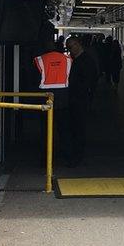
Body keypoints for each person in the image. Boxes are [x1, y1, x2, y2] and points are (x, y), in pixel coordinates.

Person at [33, 37, 73, 165]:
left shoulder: (39, 60)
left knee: (46, 130)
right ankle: (67, 158)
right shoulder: (68, 60)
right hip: (63, 98)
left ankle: (46, 160)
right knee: (64, 129)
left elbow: (34, 79)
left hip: (46, 98)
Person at [64, 35, 96, 165]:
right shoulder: (74, 60)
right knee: (74, 127)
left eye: (72, 47)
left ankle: (77, 156)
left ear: (78, 44)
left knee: (78, 127)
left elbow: (90, 81)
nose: (70, 50)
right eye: (68, 48)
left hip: (80, 99)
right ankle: (74, 154)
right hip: (73, 99)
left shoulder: (86, 61)